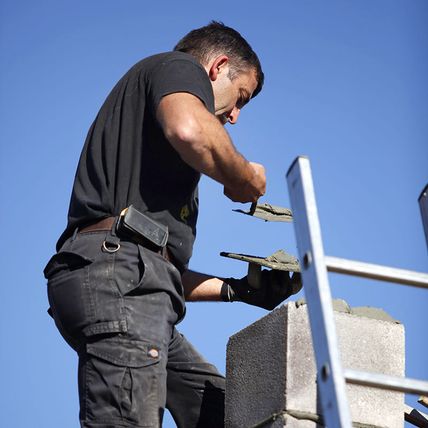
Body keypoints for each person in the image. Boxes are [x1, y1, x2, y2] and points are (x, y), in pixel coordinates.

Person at [44, 21, 301, 428]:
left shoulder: (159, 188)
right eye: (241, 98)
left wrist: (239, 290)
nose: (234, 116)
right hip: (121, 286)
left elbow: (163, 270)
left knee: (226, 413)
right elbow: (188, 128)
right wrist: (243, 177)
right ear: (217, 67)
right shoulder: (179, 68)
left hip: (130, 288)